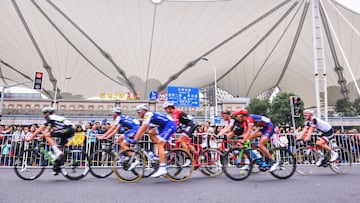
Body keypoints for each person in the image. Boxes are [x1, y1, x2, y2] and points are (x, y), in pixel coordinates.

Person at [127, 104, 177, 178]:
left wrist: (135, 139)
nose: (138, 113)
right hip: (164, 126)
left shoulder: (147, 115)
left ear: (143, 111)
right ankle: (162, 152)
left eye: (139, 111)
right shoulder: (147, 116)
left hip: (170, 125)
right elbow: (144, 129)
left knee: (160, 144)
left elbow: (142, 128)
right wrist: (137, 136)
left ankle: (163, 168)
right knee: (151, 133)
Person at [25, 107, 76, 175]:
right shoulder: (53, 119)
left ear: (48, 113)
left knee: (48, 137)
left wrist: (31, 137)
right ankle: (57, 168)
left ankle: (58, 153)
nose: (43, 115)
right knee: (59, 151)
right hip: (69, 130)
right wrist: (41, 136)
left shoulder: (50, 117)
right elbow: (48, 128)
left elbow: (40, 129)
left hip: (68, 129)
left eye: (44, 113)